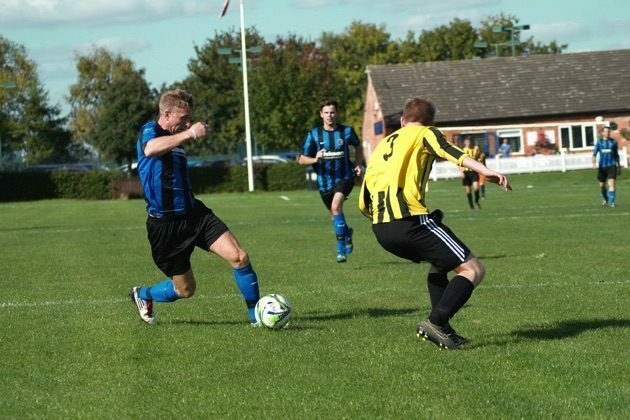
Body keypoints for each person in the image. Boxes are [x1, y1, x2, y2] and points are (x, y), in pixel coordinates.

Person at [358, 98, 511, 350]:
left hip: (381, 227)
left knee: (439, 264)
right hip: (409, 220)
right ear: (431, 123)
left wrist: (380, 219)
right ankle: (436, 321)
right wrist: (484, 171)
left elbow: (365, 197)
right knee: (473, 269)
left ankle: (444, 329)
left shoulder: (383, 143)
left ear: (403, 121)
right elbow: (451, 152)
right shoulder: (426, 133)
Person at [130, 89, 260, 325]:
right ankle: (143, 294)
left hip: (194, 214)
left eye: (190, 119)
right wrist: (190, 133)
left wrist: (185, 132)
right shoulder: (151, 130)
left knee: (239, 256)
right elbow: (150, 149)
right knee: (186, 290)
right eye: (183, 118)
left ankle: (257, 319)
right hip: (165, 226)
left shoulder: (177, 136)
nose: (188, 122)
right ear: (167, 114)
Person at [298, 98, 363, 263]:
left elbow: (358, 145)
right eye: (326, 112)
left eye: (332, 112)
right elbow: (300, 159)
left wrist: (357, 164)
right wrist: (315, 158)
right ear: (321, 114)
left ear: (337, 113)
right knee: (334, 215)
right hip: (324, 182)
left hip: (345, 177)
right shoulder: (313, 134)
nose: (329, 115)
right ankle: (347, 233)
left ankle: (340, 250)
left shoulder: (347, 131)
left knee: (336, 207)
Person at [592, 126, 620, 207]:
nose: (607, 133)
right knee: (602, 185)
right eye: (605, 131)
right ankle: (605, 199)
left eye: (608, 131)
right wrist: (593, 163)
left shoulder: (614, 142)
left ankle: (612, 202)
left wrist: (618, 166)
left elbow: (616, 155)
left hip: (612, 165)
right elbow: (594, 154)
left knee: (611, 183)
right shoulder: (599, 142)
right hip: (602, 167)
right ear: (602, 133)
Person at [461, 137, 482, 209]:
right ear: (465, 143)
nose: (469, 143)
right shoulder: (463, 150)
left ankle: (477, 202)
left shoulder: (476, 149)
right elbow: (459, 162)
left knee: (476, 187)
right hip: (465, 172)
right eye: (467, 142)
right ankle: (471, 205)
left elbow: (479, 158)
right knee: (468, 190)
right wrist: (461, 172)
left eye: (470, 141)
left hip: (474, 171)